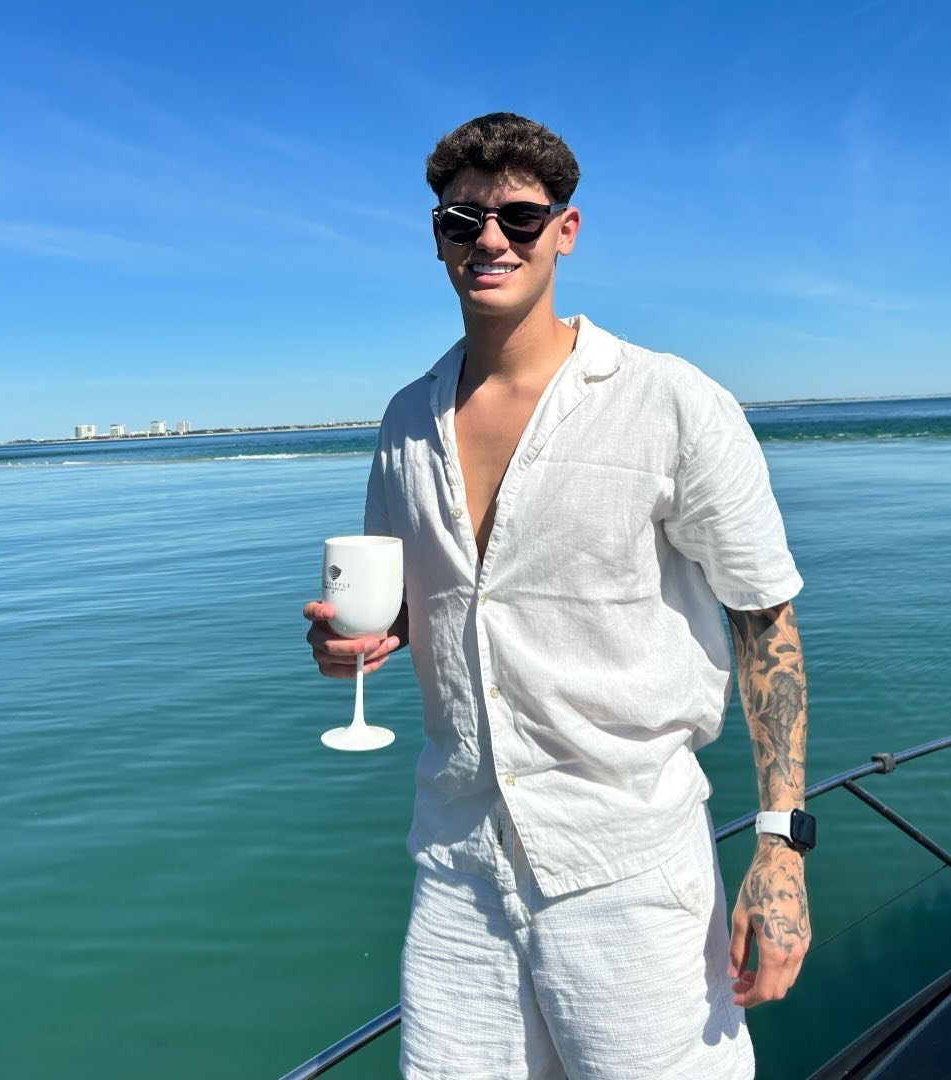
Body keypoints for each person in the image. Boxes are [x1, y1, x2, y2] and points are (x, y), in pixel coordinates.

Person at [304, 112, 811, 1080]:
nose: (490, 239)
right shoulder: (406, 421)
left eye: (520, 218)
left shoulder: (670, 400)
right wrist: (353, 646)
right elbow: (411, 608)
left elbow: (765, 623)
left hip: (630, 868)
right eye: (463, 220)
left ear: (565, 231)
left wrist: (781, 847)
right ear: (438, 236)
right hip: (456, 865)